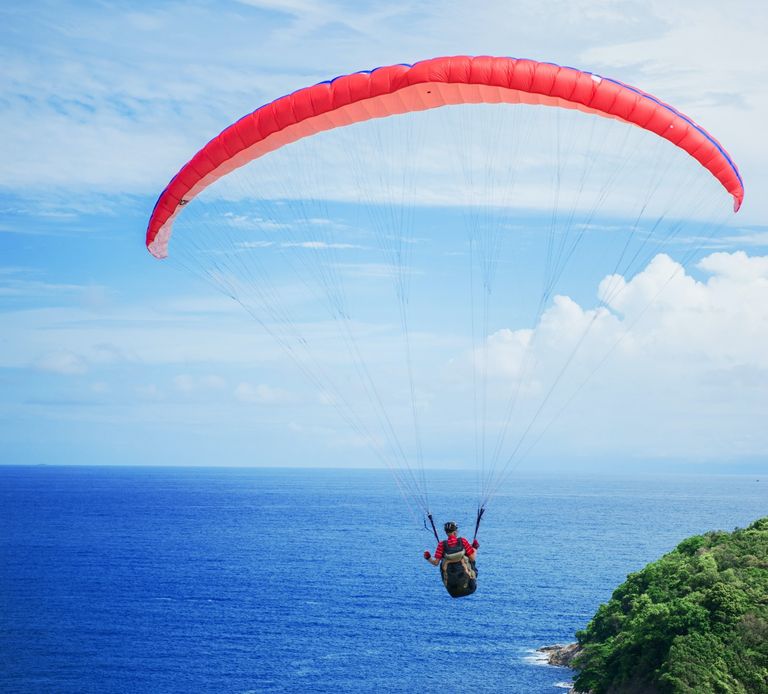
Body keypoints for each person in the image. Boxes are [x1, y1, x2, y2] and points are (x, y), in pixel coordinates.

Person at [423, 521, 479, 598]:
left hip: (453, 591)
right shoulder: (463, 541)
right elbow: (472, 558)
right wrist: (475, 548)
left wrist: (428, 557)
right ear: (455, 532)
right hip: (470, 587)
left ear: (446, 532)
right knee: (471, 560)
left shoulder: (441, 545)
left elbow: (436, 563)